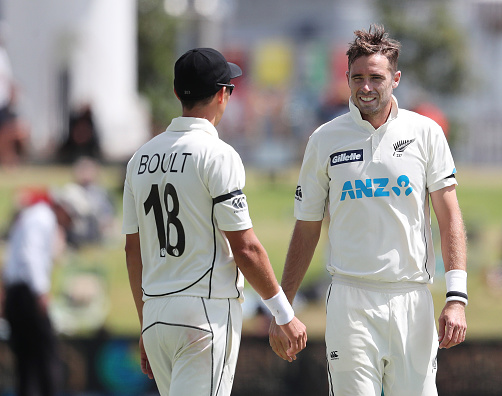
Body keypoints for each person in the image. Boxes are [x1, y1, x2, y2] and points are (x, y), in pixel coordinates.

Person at [269, 25, 467, 395]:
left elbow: (450, 217)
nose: (365, 87)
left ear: (396, 79)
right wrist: (285, 306)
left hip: (412, 298)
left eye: (376, 77)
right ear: (346, 78)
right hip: (350, 299)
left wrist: (456, 298)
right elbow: (307, 226)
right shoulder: (324, 139)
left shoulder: (425, 133)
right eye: (357, 77)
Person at [122, 48, 307, 396]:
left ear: (177, 93)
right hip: (204, 314)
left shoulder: (139, 159)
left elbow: (134, 251)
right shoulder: (218, 155)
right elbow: (246, 248)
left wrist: (147, 322)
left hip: (156, 314)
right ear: (223, 94)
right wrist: (284, 314)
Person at [1, 187, 80, 396]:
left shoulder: (35, 215)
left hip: (17, 293)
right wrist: (40, 293)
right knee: (46, 353)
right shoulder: (43, 218)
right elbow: (31, 255)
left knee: (26, 358)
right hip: (27, 294)